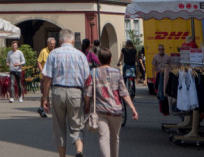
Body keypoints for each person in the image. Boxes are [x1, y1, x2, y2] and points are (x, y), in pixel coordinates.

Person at [41, 28, 90, 157]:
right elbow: (87, 80)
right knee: (77, 125)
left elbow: (47, 78)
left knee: (59, 126)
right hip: (76, 92)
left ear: (59, 41)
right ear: (73, 40)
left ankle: (62, 155)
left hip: (58, 91)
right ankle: (79, 150)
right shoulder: (81, 55)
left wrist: (45, 98)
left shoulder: (53, 54)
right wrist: (87, 101)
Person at [84, 47, 138, 157]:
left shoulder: (93, 72)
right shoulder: (117, 73)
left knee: (103, 138)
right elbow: (124, 93)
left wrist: (86, 105)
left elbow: (88, 93)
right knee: (115, 139)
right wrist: (133, 108)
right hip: (116, 111)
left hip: (101, 111)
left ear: (98, 59)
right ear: (111, 58)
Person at [37, 37, 56, 117]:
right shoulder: (44, 51)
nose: (52, 45)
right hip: (44, 76)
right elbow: (39, 62)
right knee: (45, 93)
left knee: (55, 93)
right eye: (50, 43)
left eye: (53, 43)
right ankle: (42, 108)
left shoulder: (55, 52)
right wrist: (42, 72)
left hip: (54, 76)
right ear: (47, 44)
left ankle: (53, 109)